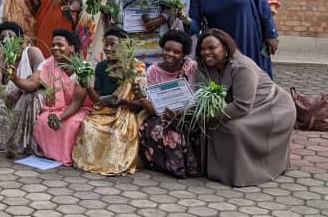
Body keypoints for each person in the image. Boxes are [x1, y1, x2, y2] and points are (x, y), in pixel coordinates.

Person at [196, 28, 294, 186]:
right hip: (243, 106)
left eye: (212, 48)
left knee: (234, 128)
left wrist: (208, 115)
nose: (206, 52)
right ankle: (216, 169)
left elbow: (241, 107)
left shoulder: (242, 67)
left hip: (271, 106)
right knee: (213, 124)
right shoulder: (204, 66)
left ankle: (245, 173)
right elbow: (201, 93)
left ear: (226, 49)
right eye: (202, 49)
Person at [71, 29, 151, 176]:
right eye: (105, 45)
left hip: (128, 112)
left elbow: (141, 102)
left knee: (119, 132)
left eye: (112, 45)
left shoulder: (136, 68)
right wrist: (88, 86)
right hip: (105, 111)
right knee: (89, 125)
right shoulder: (101, 67)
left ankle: (115, 164)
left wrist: (124, 102)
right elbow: (97, 100)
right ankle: (92, 163)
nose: (107, 48)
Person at [189, 0, 279, 78]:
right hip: (222, 47)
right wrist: (184, 20)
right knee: (230, 79)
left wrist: (271, 33)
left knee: (258, 76)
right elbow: (195, 22)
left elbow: (262, 4)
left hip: (250, 39)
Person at [16, 29, 92, 167]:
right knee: (43, 120)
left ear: (71, 48)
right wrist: (14, 78)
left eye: (60, 45)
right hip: (58, 107)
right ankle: (49, 155)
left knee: (71, 124)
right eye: (53, 45)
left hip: (79, 109)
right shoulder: (47, 63)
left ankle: (68, 157)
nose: (55, 48)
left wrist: (60, 117)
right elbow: (32, 84)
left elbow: (77, 102)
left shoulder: (84, 67)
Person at [139, 30, 202, 178]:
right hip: (160, 113)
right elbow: (150, 101)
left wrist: (179, 112)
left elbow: (195, 96)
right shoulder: (153, 70)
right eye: (167, 49)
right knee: (156, 128)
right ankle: (174, 167)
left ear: (183, 54)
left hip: (187, 113)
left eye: (176, 52)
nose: (170, 54)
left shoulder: (191, 67)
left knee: (180, 128)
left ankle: (187, 166)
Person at [0, 23, 45, 156]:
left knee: (30, 98)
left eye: (10, 36)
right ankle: (2, 141)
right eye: (2, 37)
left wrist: (19, 91)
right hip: (10, 94)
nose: (6, 39)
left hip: (32, 91)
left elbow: (40, 79)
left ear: (20, 38)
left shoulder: (33, 52)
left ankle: (25, 143)